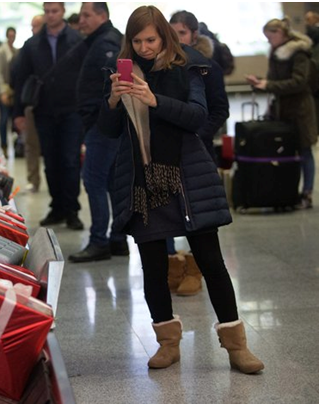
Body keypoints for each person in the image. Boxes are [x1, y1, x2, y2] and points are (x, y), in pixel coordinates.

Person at [98, 5, 264, 374]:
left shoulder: (189, 66)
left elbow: (197, 116)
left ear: (165, 36)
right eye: (137, 40)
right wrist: (112, 101)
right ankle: (167, 343)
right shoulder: (121, 70)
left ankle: (236, 346)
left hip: (188, 176)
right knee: (153, 266)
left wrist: (153, 100)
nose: (144, 47)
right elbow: (107, 130)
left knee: (211, 261)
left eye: (151, 39)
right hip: (141, 180)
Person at [166, 10, 231, 295]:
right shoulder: (163, 65)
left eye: (181, 33)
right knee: (165, 213)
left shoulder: (208, 67)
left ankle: (195, 268)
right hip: (166, 152)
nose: (177, 40)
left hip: (197, 152)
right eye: (172, 34)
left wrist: (196, 134)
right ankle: (172, 267)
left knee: (198, 215)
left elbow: (220, 110)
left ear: (194, 34)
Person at [13, 2, 87, 230]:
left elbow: (86, 76)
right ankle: (58, 207)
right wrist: (18, 112)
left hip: (72, 111)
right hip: (44, 111)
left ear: (63, 12)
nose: (50, 15)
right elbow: (20, 78)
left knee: (70, 160)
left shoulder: (77, 41)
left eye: (54, 11)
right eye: (47, 11)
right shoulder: (32, 44)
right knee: (52, 162)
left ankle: (72, 209)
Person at [68, 2, 128, 263]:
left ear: (102, 16)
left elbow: (111, 85)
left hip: (102, 124)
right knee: (111, 181)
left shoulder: (106, 43)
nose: (81, 20)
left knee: (93, 180)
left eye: (86, 15)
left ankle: (99, 241)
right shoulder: (101, 39)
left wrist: (95, 114)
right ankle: (117, 238)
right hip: (103, 122)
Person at [246, 18, 318, 209]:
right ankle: (288, 191)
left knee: (304, 151)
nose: (269, 42)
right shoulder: (277, 52)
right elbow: (277, 80)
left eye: (270, 37)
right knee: (287, 150)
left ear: (280, 33)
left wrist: (268, 85)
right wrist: (261, 82)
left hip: (301, 110)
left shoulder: (299, 52)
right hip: (282, 109)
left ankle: (307, 193)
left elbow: (299, 82)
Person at [12, 14, 45, 193]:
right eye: (32, 26)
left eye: (36, 26)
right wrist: (18, 111)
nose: (33, 30)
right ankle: (34, 179)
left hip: (53, 106)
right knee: (31, 145)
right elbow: (18, 76)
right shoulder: (29, 47)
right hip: (32, 102)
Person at [0, 27, 18, 156]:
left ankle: (14, 144)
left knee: (13, 119)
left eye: (13, 36)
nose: (11, 38)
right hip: (4, 90)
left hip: (13, 90)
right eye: (10, 36)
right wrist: (2, 91)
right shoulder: (1, 52)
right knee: (4, 118)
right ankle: (3, 144)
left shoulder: (16, 51)